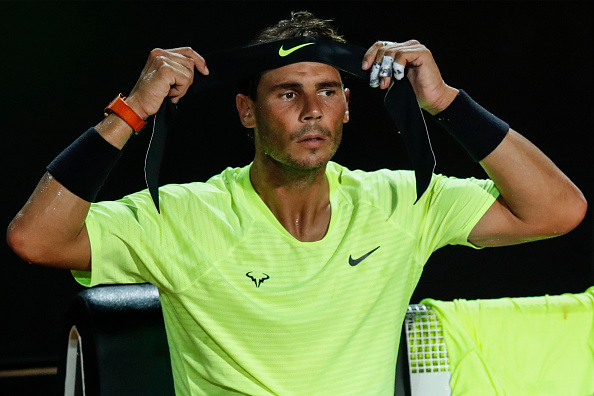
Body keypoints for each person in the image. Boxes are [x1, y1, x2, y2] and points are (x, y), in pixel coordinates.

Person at [6, 11, 587, 395]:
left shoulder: (402, 201)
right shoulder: (182, 215)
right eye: (288, 93)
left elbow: (557, 210)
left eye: (328, 91)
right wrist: (131, 110)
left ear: (346, 107)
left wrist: (444, 101)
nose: (312, 109)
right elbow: (35, 239)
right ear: (247, 112)